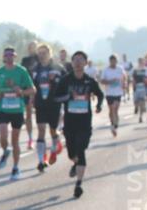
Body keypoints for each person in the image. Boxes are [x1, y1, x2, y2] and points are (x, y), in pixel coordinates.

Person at [52, 51, 105, 199]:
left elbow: (100, 94)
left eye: (81, 60)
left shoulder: (89, 81)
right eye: (75, 59)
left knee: (81, 150)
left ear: (86, 63)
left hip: (84, 121)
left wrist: (99, 105)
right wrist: (69, 97)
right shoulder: (66, 80)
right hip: (70, 122)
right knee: (72, 153)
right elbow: (56, 98)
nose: (78, 62)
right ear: (72, 62)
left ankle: (79, 184)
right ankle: (75, 164)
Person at [0, 47, 36, 180]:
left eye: (11, 55)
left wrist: (21, 92)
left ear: (15, 56)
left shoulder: (21, 71)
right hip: (3, 109)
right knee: (3, 135)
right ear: (3, 57)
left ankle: (16, 167)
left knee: (15, 140)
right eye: (6, 55)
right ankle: (5, 151)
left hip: (17, 110)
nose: (9, 57)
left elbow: (33, 89)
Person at [28, 44, 65, 172]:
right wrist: (31, 98)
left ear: (49, 53)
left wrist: (55, 80)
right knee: (41, 130)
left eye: (44, 53)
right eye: (40, 53)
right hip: (40, 103)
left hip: (54, 103)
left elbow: (65, 83)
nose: (42, 55)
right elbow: (30, 85)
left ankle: (55, 146)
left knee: (53, 131)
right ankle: (41, 160)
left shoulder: (57, 68)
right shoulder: (34, 70)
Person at [99, 54, 127, 137]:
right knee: (111, 109)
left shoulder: (120, 69)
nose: (113, 62)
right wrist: (110, 81)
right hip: (109, 93)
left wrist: (124, 83)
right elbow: (102, 81)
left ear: (116, 61)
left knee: (115, 109)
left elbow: (124, 77)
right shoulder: (106, 70)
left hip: (118, 92)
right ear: (110, 61)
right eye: (112, 61)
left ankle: (115, 124)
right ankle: (112, 124)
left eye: (115, 61)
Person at [21, 42, 39, 149]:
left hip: (39, 89)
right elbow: (21, 74)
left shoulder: (40, 58)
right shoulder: (25, 60)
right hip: (28, 88)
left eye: (33, 47)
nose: (31, 48)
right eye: (29, 47)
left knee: (41, 115)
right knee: (28, 115)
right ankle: (30, 138)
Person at [132, 57, 147, 123]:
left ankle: (140, 117)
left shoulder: (146, 70)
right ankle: (136, 107)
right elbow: (133, 79)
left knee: (142, 103)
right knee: (136, 102)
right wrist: (134, 87)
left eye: (142, 61)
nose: (141, 62)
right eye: (140, 61)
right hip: (137, 87)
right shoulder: (135, 70)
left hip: (143, 87)